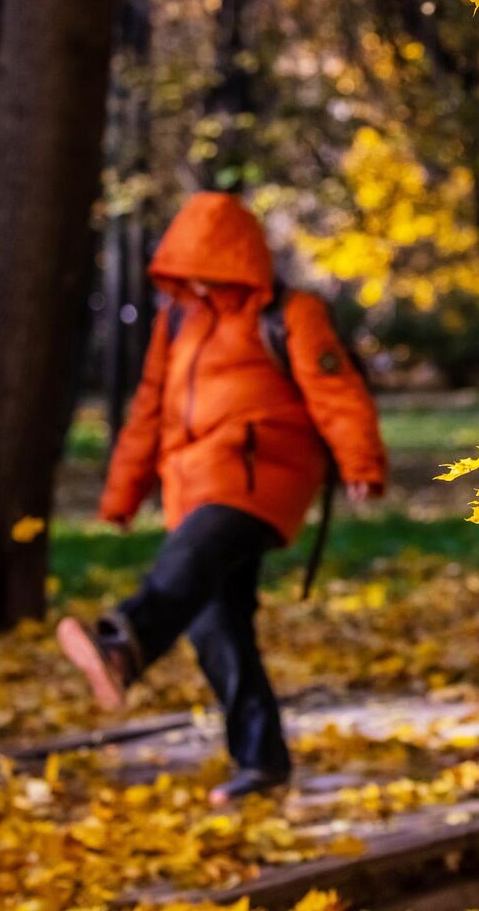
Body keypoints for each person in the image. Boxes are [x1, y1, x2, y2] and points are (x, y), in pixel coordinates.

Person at [57, 192, 387, 805]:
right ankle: (261, 763)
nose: (198, 280)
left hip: (261, 477)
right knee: (217, 626)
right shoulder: (177, 321)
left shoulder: (291, 313)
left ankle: (124, 643)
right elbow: (150, 407)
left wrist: (360, 461)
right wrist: (123, 492)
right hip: (192, 483)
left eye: (207, 265)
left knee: (189, 563)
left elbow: (335, 390)